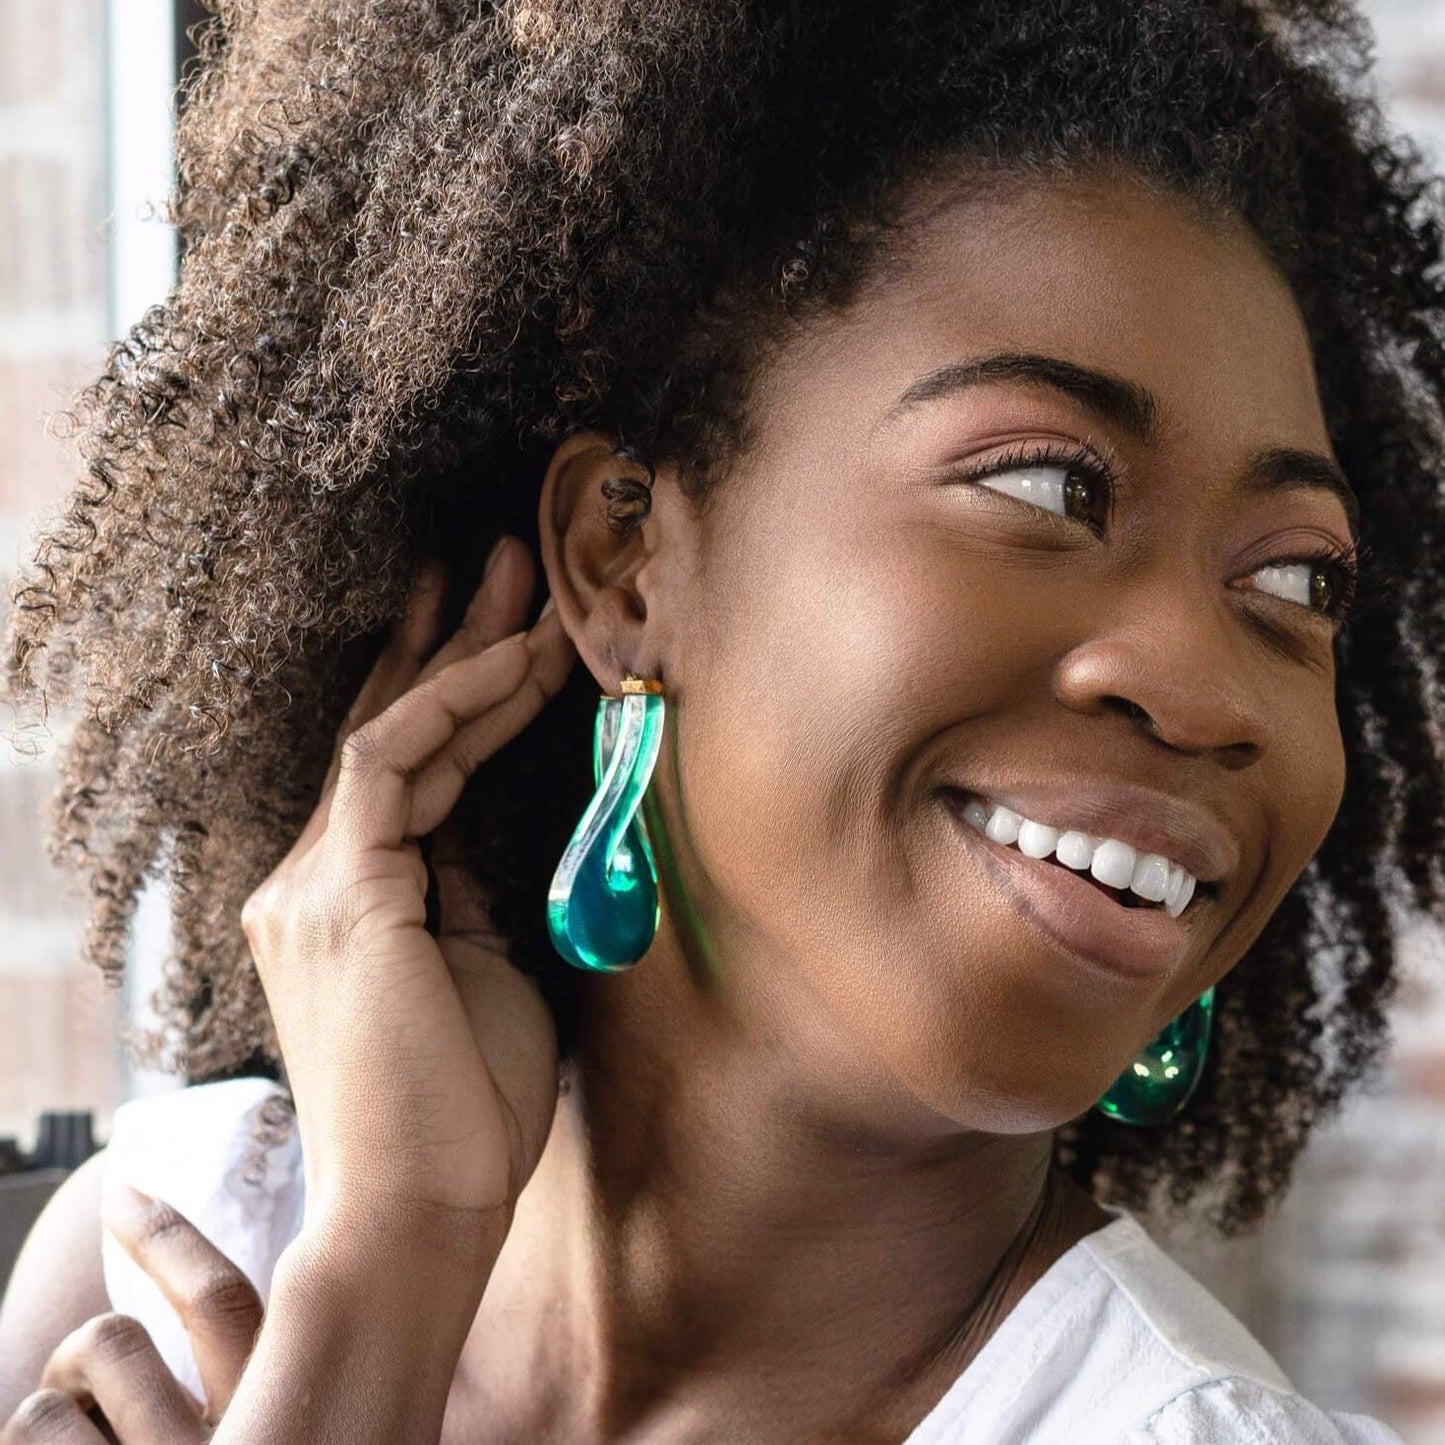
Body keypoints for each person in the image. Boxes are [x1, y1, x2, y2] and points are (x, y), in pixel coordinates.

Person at [0, 0, 1441, 1439]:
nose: (1202, 689)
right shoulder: (169, 1254)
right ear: (625, 558)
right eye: (1048, 488)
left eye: (1294, 576)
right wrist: (389, 1258)